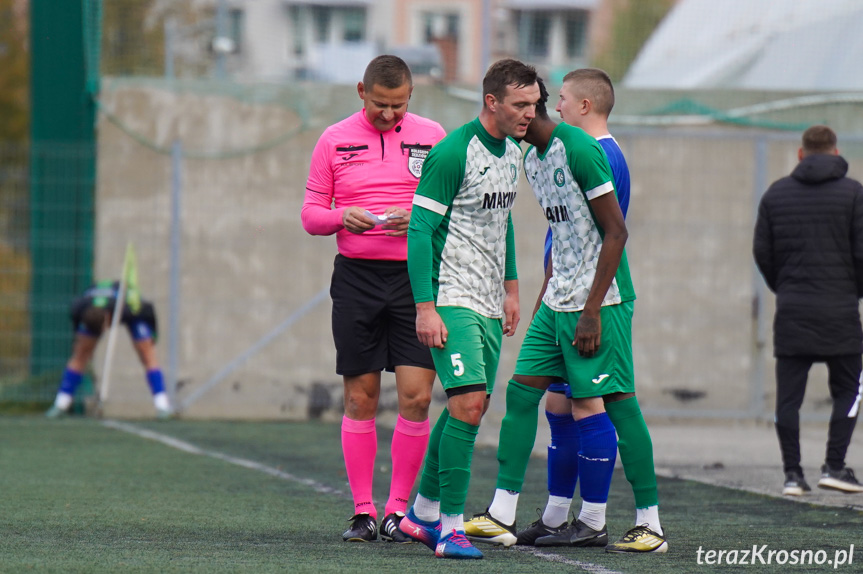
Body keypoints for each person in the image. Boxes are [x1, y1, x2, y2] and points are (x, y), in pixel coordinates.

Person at [463, 70, 667, 554]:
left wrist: (592, 310)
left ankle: (649, 525)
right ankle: (502, 513)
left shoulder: (581, 148)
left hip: (601, 302)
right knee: (521, 392)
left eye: (523, 105)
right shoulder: (529, 157)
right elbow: (563, 234)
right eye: (505, 105)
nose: (509, 115)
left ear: (534, 107)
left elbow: (615, 233)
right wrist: (544, 296)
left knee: (618, 403)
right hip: (557, 302)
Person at [396, 58, 539, 560]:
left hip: (486, 301)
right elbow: (418, 231)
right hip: (450, 298)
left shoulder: (515, 151)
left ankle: (422, 514)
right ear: (492, 101)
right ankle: (452, 529)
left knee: (465, 406)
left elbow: (502, 222)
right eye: (521, 105)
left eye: (535, 105)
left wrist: (512, 288)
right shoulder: (453, 152)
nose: (530, 114)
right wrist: (424, 307)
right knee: (470, 406)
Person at [300, 55, 446, 543]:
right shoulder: (333, 138)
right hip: (358, 279)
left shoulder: (433, 134)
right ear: (361, 90)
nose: (389, 114)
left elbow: (454, 209)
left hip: (416, 279)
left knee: (417, 396)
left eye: (398, 105)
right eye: (380, 104)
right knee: (360, 397)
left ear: (411, 97)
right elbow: (311, 215)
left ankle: (397, 510)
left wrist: (421, 219)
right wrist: (344, 216)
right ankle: (363, 512)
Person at [753, 124, 863, 496]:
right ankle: (834, 466)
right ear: (836, 153)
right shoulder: (854, 194)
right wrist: (853, 292)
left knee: (788, 399)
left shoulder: (775, 195)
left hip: (793, 311)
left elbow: (762, 253)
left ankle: (792, 475)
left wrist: (784, 287)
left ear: (801, 154)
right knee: (849, 389)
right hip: (840, 311)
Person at [45, 279, 172, 419]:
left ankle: (162, 405)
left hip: (130, 309)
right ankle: (61, 404)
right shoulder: (79, 307)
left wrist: (154, 335)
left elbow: (149, 311)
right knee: (80, 354)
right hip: (95, 308)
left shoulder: (130, 309)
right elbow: (76, 326)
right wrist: (80, 338)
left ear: (108, 320)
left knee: (147, 354)